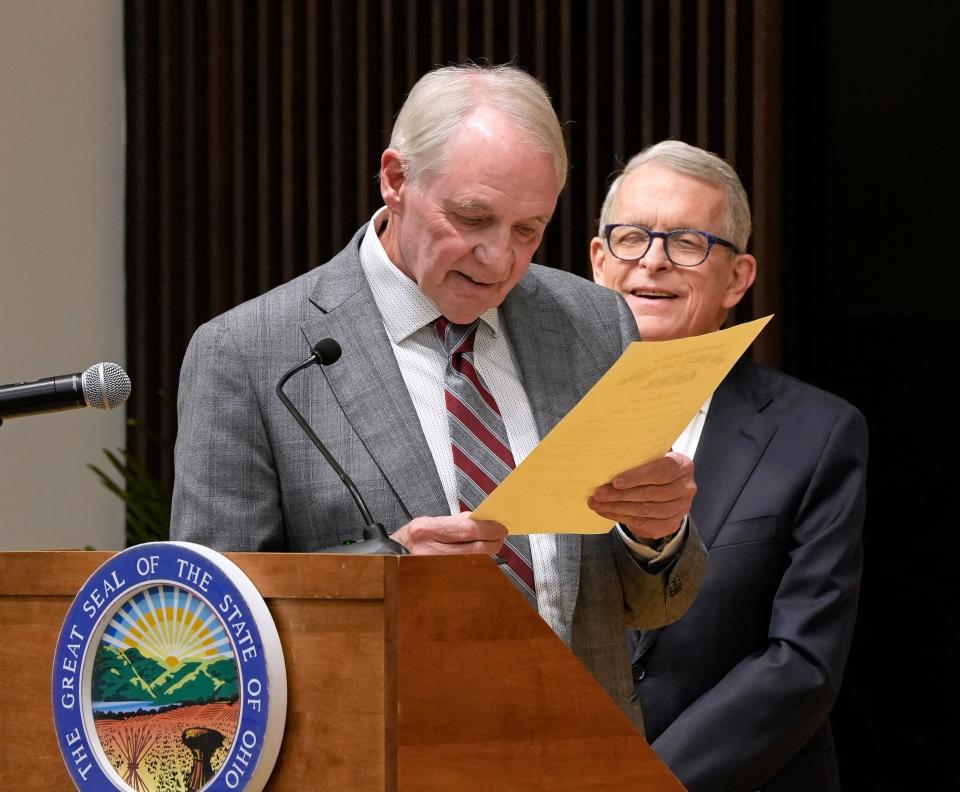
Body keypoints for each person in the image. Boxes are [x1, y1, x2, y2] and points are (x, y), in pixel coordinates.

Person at [170, 64, 708, 733]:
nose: (498, 259)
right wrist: (386, 573)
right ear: (396, 180)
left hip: (583, 755)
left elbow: (649, 603)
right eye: (472, 218)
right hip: (375, 756)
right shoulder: (252, 353)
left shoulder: (592, 324)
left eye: (527, 229)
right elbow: (208, 623)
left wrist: (654, 533)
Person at [590, 139, 868, 791]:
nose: (652, 262)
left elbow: (800, 663)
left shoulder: (819, 433)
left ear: (738, 277)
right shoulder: (523, 411)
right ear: (599, 261)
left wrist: (642, 782)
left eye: (686, 243)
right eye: (631, 238)